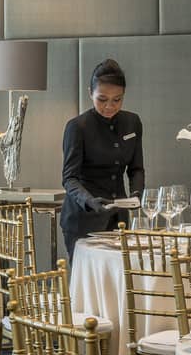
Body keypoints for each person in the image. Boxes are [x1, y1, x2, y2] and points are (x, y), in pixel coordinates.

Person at [61, 59, 145, 262]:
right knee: (89, 286)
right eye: (102, 99)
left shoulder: (132, 122)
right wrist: (89, 201)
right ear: (90, 92)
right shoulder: (77, 127)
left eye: (117, 100)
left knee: (119, 280)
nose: (109, 106)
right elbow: (69, 178)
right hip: (83, 220)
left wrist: (135, 196)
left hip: (119, 220)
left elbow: (136, 169)